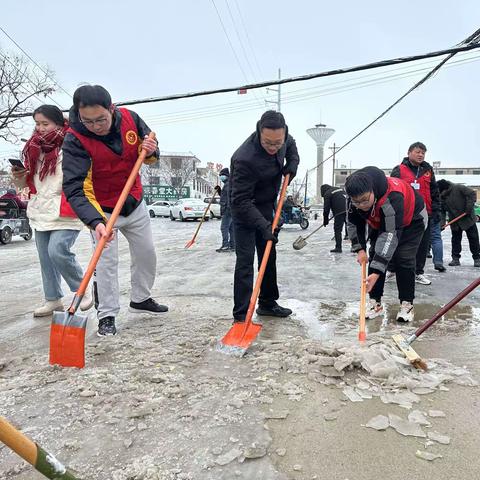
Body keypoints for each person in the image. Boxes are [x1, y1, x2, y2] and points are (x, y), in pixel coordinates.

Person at [62, 85, 168, 337]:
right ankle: (107, 314)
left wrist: (152, 151)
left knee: (146, 253)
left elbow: (150, 148)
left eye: (101, 119)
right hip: (102, 209)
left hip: (133, 199)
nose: (96, 126)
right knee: (105, 264)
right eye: (88, 121)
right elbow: (75, 189)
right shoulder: (75, 139)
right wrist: (95, 221)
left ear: (112, 109)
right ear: (78, 114)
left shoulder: (130, 119)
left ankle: (141, 298)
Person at [10, 105, 92, 317]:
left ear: (58, 123)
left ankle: (82, 290)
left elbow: (78, 178)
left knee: (57, 251)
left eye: (45, 124)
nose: (40, 128)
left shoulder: (71, 144)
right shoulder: (34, 148)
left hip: (66, 208)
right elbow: (27, 184)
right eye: (37, 124)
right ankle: (53, 299)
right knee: (45, 258)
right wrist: (19, 174)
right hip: (41, 208)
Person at [230, 110, 299, 322]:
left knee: (268, 255)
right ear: (259, 131)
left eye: (277, 143)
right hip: (244, 210)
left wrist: (293, 163)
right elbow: (240, 201)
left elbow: (292, 145)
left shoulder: (283, 139)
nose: (273, 147)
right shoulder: (244, 158)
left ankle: (267, 303)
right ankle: (241, 315)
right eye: (268, 143)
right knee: (245, 261)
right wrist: (263, 226)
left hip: (267, 206)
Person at [345, 166, 427, 322]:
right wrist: (359, 250)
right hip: (381, 221)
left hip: (412, 220)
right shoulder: (352, 199)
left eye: (364, 200)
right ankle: (375, 303)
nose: (361, 205)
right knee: (376, 253)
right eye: (357, 202)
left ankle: (406, 303)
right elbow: (353, 224)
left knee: (404, 258)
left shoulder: (392, 196)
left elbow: (390, 234)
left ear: (372, 191)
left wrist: (376, 271)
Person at [390, 142, 444, 282]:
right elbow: (391, 190)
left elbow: (434, 192)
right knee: (398, 242)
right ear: (409, 153)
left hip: (424, 214)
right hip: (404, 214)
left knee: (422, 245)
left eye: (423, 153)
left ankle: (418, 272)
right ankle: (392, 270)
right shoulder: (399, 170)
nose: (421, 155)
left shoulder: (428, 170)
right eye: (418, 152)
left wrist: (436, 211)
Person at [437, 179, 480, 267]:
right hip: (455, 220)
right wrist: (441, 224)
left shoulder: (458, 187)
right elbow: (442, 211)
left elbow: (472, 193)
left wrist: (468, 207)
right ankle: (455, 259)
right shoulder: (441, 196)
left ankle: (477, 258)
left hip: (468, 219)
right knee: (455, 240)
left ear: (445, 188)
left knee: (473, 238)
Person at [320, 184, 347, 253]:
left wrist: (325, 220)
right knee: (351, 228)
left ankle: (338, 248)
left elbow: (326, 208)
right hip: (349, 210)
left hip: (339, 213)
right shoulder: (339, 189)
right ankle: (356, 247)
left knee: (337, 230)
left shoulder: (327, 193)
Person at [216, 167, 235, 252]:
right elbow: (224, 196)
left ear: (227, 175)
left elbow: (228, 199)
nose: (221, 177)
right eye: (220, 175)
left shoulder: (228, 185)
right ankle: (233, 245)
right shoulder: (229, 184)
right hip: (231, 210)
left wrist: (227, 209)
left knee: (224, 228)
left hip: (228, 210)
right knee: (231, 228)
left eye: (222, 175)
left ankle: (225, 245)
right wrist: (219, 191)